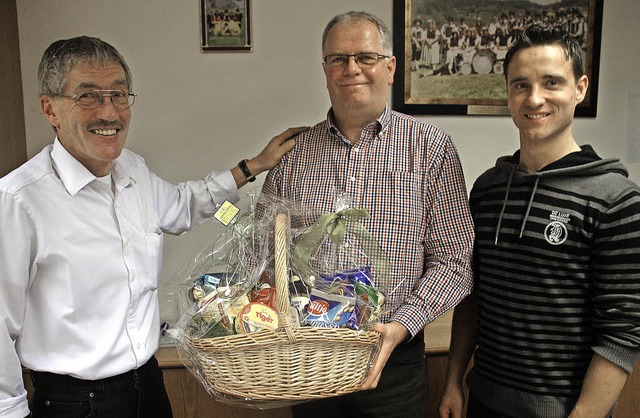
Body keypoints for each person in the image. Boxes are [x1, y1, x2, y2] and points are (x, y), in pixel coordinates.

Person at [0, 36, 307, 418]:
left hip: (148, 386)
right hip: (75, 403)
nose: (109, 113)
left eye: (118, 94)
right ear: (50, 109)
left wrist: (254, 166)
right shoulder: (19, 200)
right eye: (88, 96)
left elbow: (182, 205)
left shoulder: (132, 169)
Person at [260, 11, 474, 418]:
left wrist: (402, 325)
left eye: (366, 57)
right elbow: (262, 254)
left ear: (390, 67)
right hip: (310, 363)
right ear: (324, 71)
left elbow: (455, 260)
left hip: (395, 361)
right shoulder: (292, 156)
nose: (351, 69)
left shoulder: (431, 148)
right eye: (337, 59)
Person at [438, 24, 640, 418]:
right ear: (508, 94)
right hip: (483, 400)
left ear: (579, 88)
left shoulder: (617, 199)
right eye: (520, 85)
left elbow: (622, 331)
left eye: (551, 82)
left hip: (566, 411)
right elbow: (471, 295)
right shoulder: (487, 190)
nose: (535, 98)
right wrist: (453, 381)